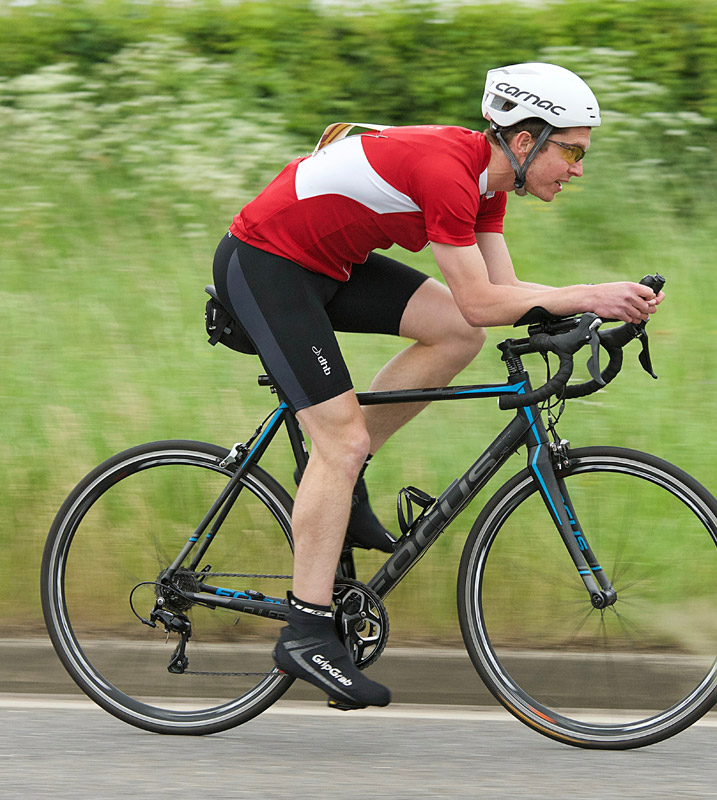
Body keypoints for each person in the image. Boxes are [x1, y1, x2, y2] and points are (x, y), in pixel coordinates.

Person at [212, 62, 664, 710]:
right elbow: (483, 300)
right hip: (265, 264)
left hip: (326, 265)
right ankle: (306, 632)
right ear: (525, 139)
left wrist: (589, 314)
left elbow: (503, 294)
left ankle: (340, 476)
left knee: (455, 334)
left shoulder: (488, 184)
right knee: (339, 442)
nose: (578, 169)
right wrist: (590, 294)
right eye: (571, 151)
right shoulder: (449, 173)